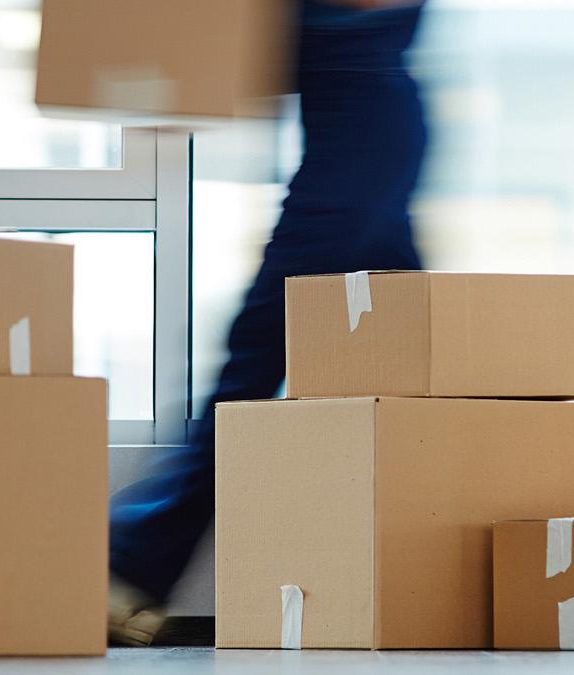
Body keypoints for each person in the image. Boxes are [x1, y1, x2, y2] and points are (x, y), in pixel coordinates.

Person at [105, 0, 429, 646]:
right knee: (410, 366)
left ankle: (128, 562)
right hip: (360, 143)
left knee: (257, 353)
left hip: (356, 155)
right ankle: (416, 579)